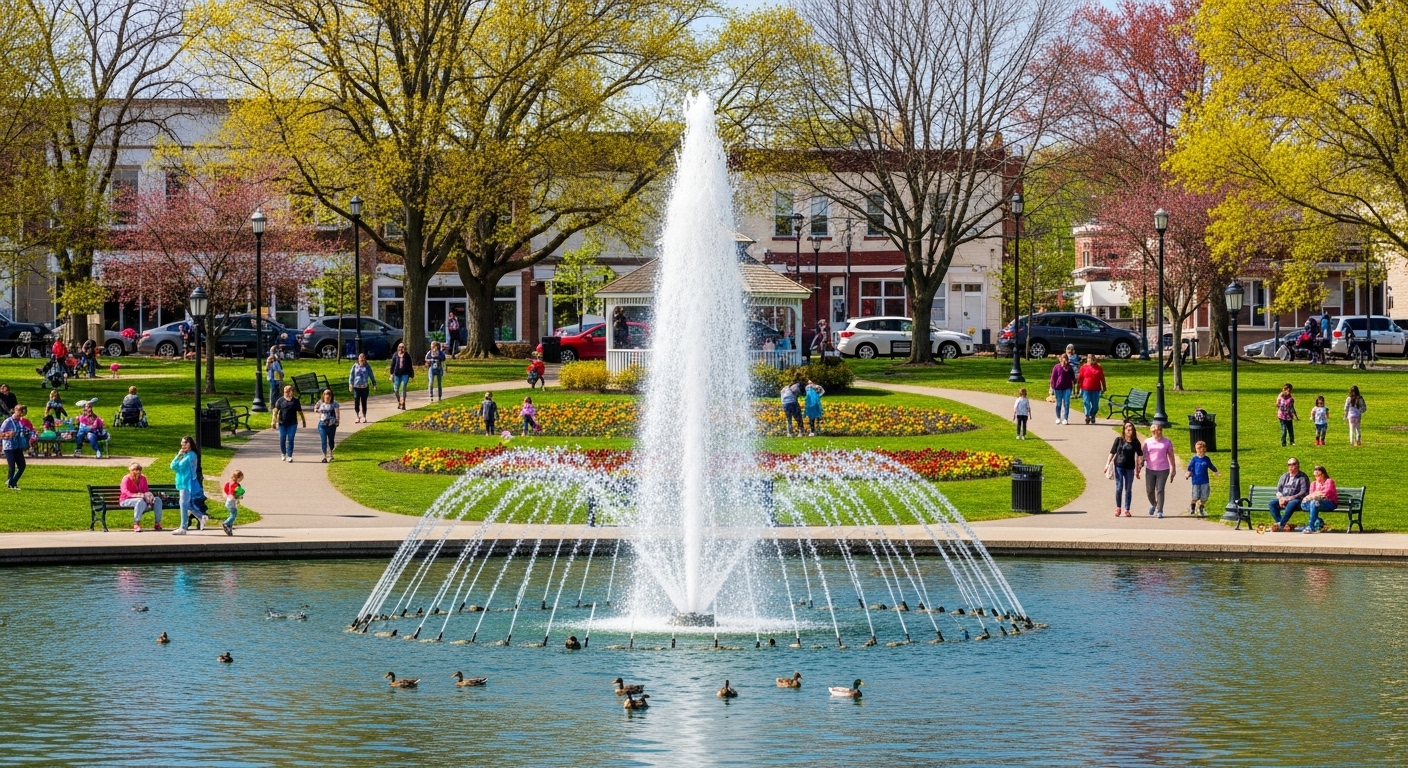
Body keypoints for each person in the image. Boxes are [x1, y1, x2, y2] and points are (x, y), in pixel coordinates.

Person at [1105, 421, 1143, 517]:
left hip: (1130, 468)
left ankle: (1127, 509)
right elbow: (1112, 452)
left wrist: (1138, 470)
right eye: (1127, 427)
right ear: (1124, 430)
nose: (1129, 429)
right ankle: (1118, 508)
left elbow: (1140, 455)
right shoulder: (1119, 440)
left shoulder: (1136, 442)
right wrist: (1107, 464)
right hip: (1119, 466)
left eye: (1131, 427)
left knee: (1128, 489)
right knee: (1119, 487)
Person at [170, 436, 207, 534]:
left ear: (190, 444)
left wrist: (178, 461)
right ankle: (201, 516)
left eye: (186, 443)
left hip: (187, 483)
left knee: (183, 503)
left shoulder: (191, 455)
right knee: (187, 504)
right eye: (182, 443)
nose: (183, 445)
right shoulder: (183, 455)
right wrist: (178, 455)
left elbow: (179, 467)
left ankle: (183, 527)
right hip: (181, 482)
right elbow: (172, 466)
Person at [1141, 422, 1177, 518]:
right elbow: (1143, 454)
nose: (1157, 433)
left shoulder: (1167, 442)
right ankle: (1154, 504)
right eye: (1154, 432)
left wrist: (1173, 468)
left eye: (1158, 431)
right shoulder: (1147, 442)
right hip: (1150, 469)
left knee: (1160, 490)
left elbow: (1171, 455)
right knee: (1149, 490)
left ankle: (1160, 510)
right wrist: (1140, 463)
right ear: (1152, 432)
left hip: (1163, 469)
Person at [1269, 457, 1309, 531]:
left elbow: (1303, 492)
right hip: (1284, 500)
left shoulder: (1302, 477)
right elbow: (1279, 490)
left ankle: (1281, 525)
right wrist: (1281, 499)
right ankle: (1282, 524)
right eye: (1289, 464)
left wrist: (1288, 498)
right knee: (1272, 503)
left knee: (1292, 503)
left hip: (1298, 501)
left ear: (1298, 465)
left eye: (1293, 464)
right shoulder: (1284, 476)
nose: (1291, 466)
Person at [120, 462, 161, 531]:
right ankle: (136, 523)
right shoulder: (126, 479)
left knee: (158, 500)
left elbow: (145, 490)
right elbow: (124, 491)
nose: (138, 472)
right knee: (139, 501)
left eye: (139, 470)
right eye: (135, 470)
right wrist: (135, 495)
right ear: (131, 471)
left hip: (142, 499)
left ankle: (157, 523)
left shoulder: (143, 478)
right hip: (126, 500)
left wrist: (149, 497)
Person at [271, 384, 306, 462]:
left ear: (292, 392)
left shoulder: (296, 401)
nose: (286, 393)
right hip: (282, 423)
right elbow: (275, 411)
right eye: (285, 392)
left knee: (291, 438)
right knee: (282, 438)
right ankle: (283, 453)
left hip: (292, 423)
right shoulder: (280, 400)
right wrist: (273, 421)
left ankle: (289, 455)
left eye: (288, 391)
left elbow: (300, 412)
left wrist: (303, 421)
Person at [1185, 440, 1219, 517]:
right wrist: (1188, 474)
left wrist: (1216, 471)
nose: (1201, 451)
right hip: (1196, 481)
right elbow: (1190, 468)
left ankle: (1201, 507)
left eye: (1203, 450)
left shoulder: (1206, 459)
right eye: (1199, 449)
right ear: (1196, 449)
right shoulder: (1194, 459)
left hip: (1205, 481)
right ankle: (1192, 507)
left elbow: (1211, 466)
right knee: (1195, 496)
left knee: (1204, 496)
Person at [1, 404, 31, 490]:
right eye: (21, 413)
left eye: (23, 413)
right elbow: (1, 434)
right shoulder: (8, 422)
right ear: (16, 411)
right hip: (9, 447)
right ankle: (11, 485)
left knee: (22, 466)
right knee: (12, 466)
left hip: (18, 446)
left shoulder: (21, 422)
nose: (22, 415)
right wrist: (8, 434)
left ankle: (13, 481)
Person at [1301, 465, 1338, 534]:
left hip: (1330, 503)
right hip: (1316, 503)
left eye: (1319, 475)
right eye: (1315, 475)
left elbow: (1326, 493)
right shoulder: (1313, 484)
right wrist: (1315, 495)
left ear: (1323, 474)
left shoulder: (1329, 481)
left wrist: (1316, 494)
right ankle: (1318, 521)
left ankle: (1310, 527)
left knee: (1314, 502)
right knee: (1304, 504)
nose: (1317, 477)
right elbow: (1311, 495)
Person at [1076, 356, 1107, 424]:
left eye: (1093, 359)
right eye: (1089, 358)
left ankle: (1093, 414)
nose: (1091, 360)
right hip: (1085, 389)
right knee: (1086, 402)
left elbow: (1102, 378)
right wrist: (1078, 388)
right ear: (1087, 359)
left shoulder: (1099, 367)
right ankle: (1087, 415)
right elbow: (1080, 379)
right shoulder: (1084, 367)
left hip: (1096, 389)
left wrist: (1104, 387)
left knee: (1095, 405)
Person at [348, 353, 377, 423]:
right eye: (360, 359)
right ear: (358, 359)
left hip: (364, 387)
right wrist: (350, 384)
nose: (362, 361)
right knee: (356, 401)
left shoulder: (367, 367)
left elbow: (371, 375)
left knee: (364, 402)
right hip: (356, 387)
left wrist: (374, 383)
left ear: (365, 360)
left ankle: (364, 416)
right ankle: (357, 416)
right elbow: (351, 375)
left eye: (363, 360)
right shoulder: (355, 366)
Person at [314, 389, 341, 463]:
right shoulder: (320, 402)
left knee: (331, 440)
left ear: (331, 395)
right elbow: (315, 408)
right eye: (325, 394)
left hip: (332, 425)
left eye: (328, 394)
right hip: (322, 425)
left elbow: (337, 414)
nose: (327, 395)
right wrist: (318, 410)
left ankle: (331, 452)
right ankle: (324, 456)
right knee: (323, 440)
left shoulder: (335, 404)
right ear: (323, 395)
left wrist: (337, 421)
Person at [1048, 354, 1074, 425]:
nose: (1064, 360)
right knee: (1058, 403)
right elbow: (1053, 377)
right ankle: (1058, 417)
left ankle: (1065, 418)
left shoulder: (1069, 367)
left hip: (1067, 387)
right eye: (1063, 359)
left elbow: (1073, 377)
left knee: (1066, 403)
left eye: (1065, 359)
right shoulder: (1056, 367)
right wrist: (1052, 387)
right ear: (1060, 359)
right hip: (1058, 387)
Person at [389, 342, 414, 410]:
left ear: (404, 348)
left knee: (403, 388)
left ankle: (403, 403)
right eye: (399, 347)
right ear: (398, 348)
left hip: (405, 374)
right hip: (397, 374)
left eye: (402, 347)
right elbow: (392, 365)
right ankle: (399, 401)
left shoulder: (407, 356)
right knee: (396, 389)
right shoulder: (395, 355)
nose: (401, 348)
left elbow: (410, 366)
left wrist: (412, 375)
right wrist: (391, 374)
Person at [221, 469, 244, 536]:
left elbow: (226, 489)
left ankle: (229, 527)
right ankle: (226, 523)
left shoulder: (229, 483)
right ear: (238, 478)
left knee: (233, 513)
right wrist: (240, 495)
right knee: (234, 514)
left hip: (229, 500)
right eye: (241, 478)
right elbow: (237, 493)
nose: (241, 480)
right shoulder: (236, 485)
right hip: (231, 502)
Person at [1276, 382, 1298, 447]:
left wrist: (1295, 416)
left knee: (1290, 430)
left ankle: (1292, 441)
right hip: (1282, 416)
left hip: (1288, 417)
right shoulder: (1280, 397)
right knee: (1284, 430)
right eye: (1287, 390)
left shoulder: (1291, 399)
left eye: (1290, 391)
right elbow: (1277, 404)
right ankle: (1283, 443)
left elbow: (1292, 407)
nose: (1288, 392)